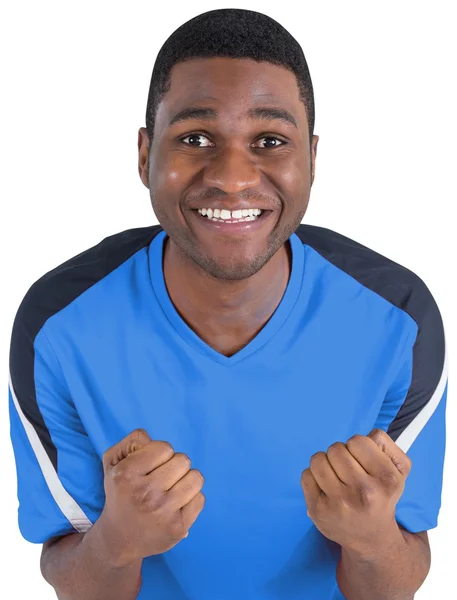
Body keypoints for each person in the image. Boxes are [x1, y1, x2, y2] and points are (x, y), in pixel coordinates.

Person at [8, 8, 447, 600]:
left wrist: (372, 541)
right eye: (195, 138)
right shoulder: (58, 327)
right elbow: (70, 572)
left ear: (312, 158)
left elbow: (395, 582)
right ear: (145, 156)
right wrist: (115, 541)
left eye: (270, 141)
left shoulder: (399, 320)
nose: (234, 177)